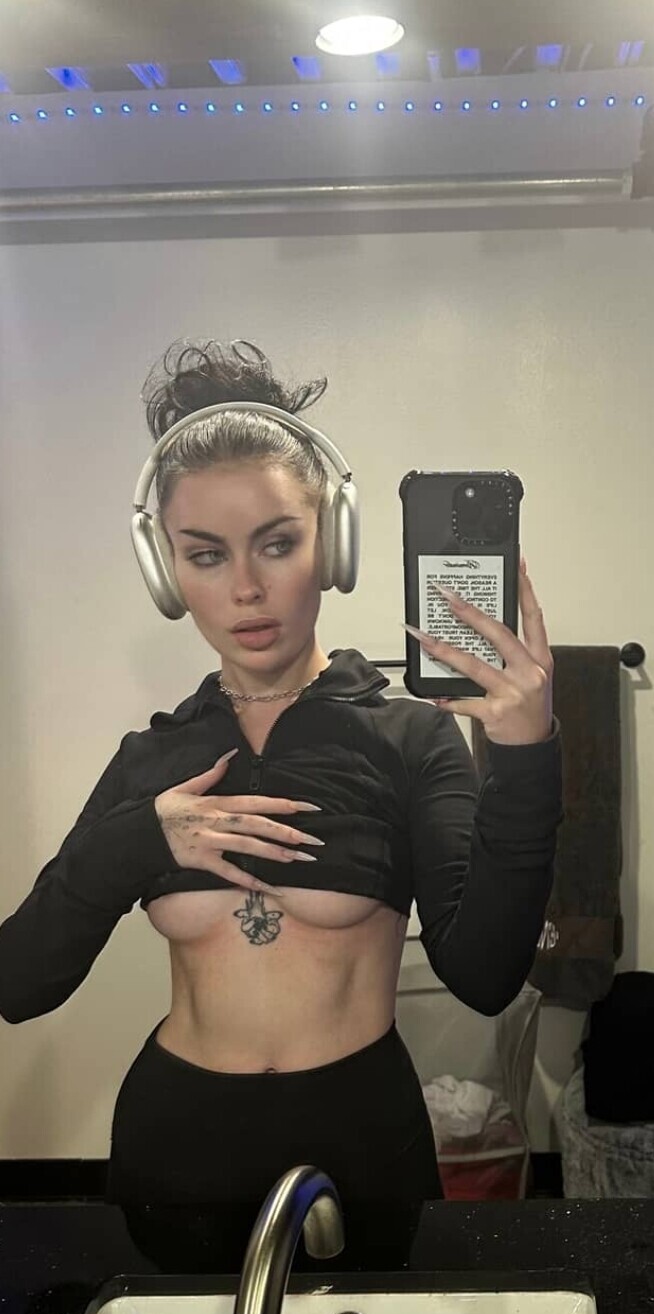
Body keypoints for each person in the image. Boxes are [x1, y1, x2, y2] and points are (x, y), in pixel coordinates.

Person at [0, 339, 562, 1228]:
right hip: (174, 1143)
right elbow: (19, 982)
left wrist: (526, 755)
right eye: (206, 555)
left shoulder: (407, 737)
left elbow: (486, 975)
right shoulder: (152, 757)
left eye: (276, 543)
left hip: (361, 1143)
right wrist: (144, 838)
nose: (246, 589)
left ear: (331, 544)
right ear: (166, 571)